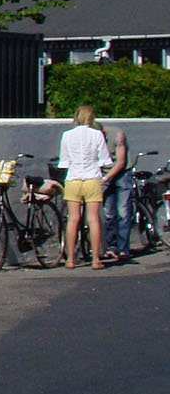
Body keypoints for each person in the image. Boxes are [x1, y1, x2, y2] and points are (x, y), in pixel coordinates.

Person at [59, 105, 112, 270]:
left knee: (73, 219)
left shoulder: (67, 135)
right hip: (92, 178)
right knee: (93, 219)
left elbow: (64, 161)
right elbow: (104, 159)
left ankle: (70, 259)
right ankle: (96, 259)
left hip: (73, 178)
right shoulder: (97, 135)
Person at [100, 121, 132, 262]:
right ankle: (111, 247)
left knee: (123, 211)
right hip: (105, 173)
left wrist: (106, 178)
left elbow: (120, 162)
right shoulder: (93, 139)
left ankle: (123, 248)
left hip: (121, 173)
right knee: (108, 213)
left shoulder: (117, 135)